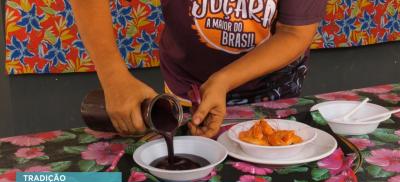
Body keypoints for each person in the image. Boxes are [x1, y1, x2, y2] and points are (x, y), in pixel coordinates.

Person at [70, 0, 327, 138]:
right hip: (186, 85)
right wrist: (114, 78)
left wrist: (223, 80)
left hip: (272, 90)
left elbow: (294, 33)